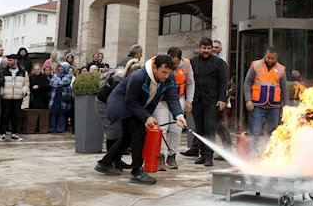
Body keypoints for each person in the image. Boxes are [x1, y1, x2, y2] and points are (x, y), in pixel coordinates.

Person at [97, 54, 186, 184]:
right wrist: (146, 117)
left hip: (136, 106)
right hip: (123, 105)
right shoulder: (138, 77)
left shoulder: (168, 77)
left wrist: (179, 115)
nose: (166, 76)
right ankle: (137, 172)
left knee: (127, 138)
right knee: (139, 133)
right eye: (164, 72)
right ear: (155, 68)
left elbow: (172, 97)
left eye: (169, 73)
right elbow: (130, 101)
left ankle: (105, 163)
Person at [95, 59, 138, 172]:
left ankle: (116, 159)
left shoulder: (127, 79)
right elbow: (117, 100)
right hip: (104, 104)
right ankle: (109, 163)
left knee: (120, 131)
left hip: (114, 104)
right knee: (113, 130)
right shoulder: (118, 80)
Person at [154, 48, 194, 170]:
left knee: (176, 128)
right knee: (162, 128)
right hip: (161, 100)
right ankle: (160, 156)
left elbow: (190, 82)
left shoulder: (187, 64)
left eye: (175, 63)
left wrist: (189, 100)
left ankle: (172, 156)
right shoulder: (159, 63)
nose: (172, 65)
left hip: (178, 99)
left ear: (180, 60)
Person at [191, 38, 228, 167]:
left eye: (208, 48)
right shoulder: (192, 62)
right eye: (204, 48)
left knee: (209, 128)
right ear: (200, 48)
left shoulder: (219, 63)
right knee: (199, 128)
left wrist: (222, 99)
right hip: (196, 99)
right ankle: (202, 154)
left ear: (212, 49)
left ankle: (209, 156)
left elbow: (223, 82)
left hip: (212, 100)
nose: (206, 51)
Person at [244, 46, 286, 156]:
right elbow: (247, 83)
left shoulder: (281, 69)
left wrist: (286, 107)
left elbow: (284, 89)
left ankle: (270, 155)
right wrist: (248, 100)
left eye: (273, 58)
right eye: (268, 58)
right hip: (257, 105)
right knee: (255, 132)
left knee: (273, 133)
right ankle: (251, 156)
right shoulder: (256, 65)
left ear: (277, 57)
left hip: (274, 106)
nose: (270, 60)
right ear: (265, 55)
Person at [0, 54, 28, 141]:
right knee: (5, 115)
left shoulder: (23, 72)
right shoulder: (3, 71)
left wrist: (23, 91)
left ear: (15, 60)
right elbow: (0, 83)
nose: (9, 62)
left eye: (10, 60)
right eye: (8, 60)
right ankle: (2, 133)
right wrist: (2, 92)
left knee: (16, 115)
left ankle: (15, 133)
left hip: (18, 96)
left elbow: (26, 84)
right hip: (6, 96)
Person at [49, 62, 73, 133]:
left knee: (62, 112)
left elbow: (65, 82)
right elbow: (52, 83)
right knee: (53, 112)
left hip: (64, 96)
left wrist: (57, 82)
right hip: (55, 95)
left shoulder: (69, 76)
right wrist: (59, 83)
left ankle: (60, 129)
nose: (60, 68)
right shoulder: (55, 75)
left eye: (62, 67)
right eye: (59, 67)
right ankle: (51, 128)